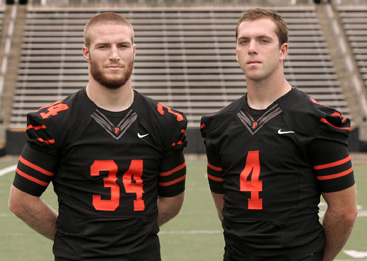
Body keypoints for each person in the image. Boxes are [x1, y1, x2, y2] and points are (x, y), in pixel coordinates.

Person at [8, 12, 187, 260]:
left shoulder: (165, 122)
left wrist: (133, 236)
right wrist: (72, 237)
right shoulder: (56, 122)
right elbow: (22, 200)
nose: (114, 55)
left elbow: (172, 200)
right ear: (86, 52)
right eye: (103, 46)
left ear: (134, 50)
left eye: (122, 46)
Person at [200, 8, 357, 261]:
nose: (252, 48)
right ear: (237, 50)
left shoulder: (317, 120)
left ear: (283, 50)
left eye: (263, 40)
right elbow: (225, 205)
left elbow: (345, 211)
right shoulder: (218, 124)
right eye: (244, 41)